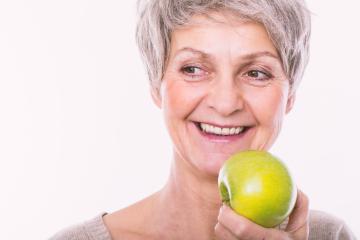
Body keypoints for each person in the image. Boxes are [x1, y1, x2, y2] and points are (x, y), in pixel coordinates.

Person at [50, 0, 356, 239]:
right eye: (193, 69)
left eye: (256, 73)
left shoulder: (329, 236)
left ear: (290, 95)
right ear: (157, 85)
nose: (225, 104)